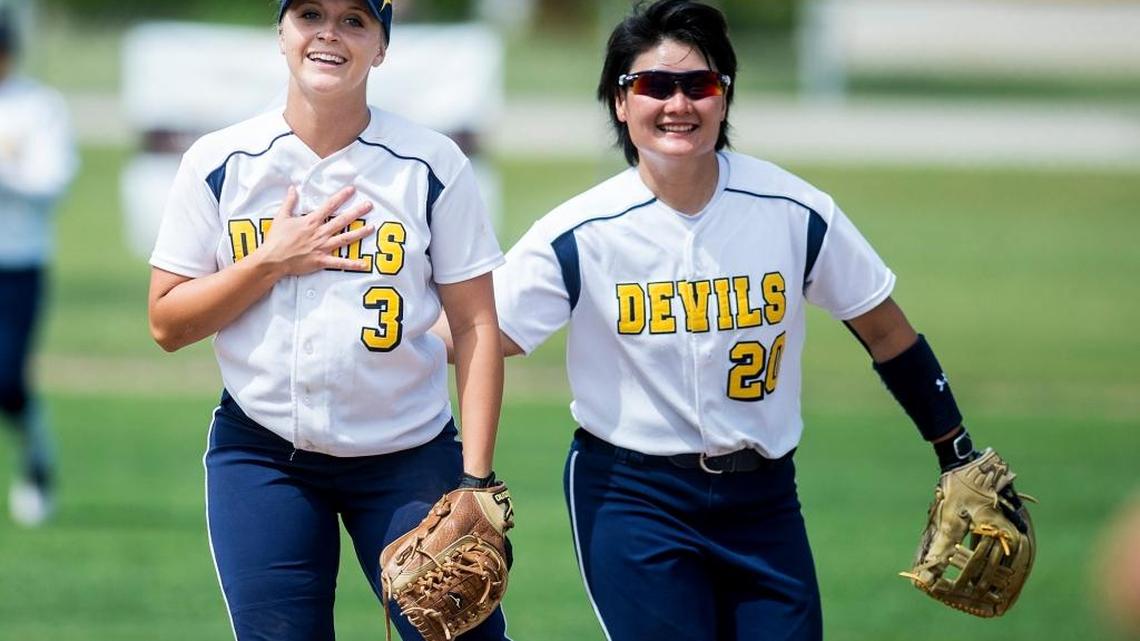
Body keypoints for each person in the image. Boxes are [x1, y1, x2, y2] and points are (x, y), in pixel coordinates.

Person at [448, 1, 1013, 638]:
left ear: (725, 97)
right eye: (655, 86)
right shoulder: (582, 233)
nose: (678, 104)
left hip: (765, 499)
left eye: (700, 85)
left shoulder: (793, 210)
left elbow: (886, 332)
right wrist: (365, 316)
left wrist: (955, 450)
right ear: (619, 102)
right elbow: (476, 332)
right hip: (634, 499)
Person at [147, 1, 509, 639]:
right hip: (264, 454)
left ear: (382, 45)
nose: (329, 34)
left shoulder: (429, 164)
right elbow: (167, 324)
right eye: (310, 13)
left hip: (408, 453)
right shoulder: (223, 160)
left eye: (354, 20)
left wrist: (475, 479)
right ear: (281, 32)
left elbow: (476, 324)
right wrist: (267, 264)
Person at [0, 10, 79, 527]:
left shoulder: (38, 106)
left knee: (6, 378)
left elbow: (52, 179)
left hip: (16, 263)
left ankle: (36, 461)